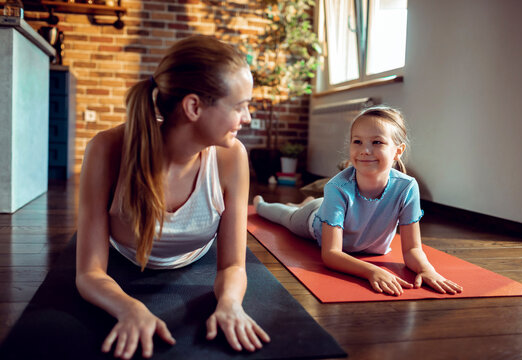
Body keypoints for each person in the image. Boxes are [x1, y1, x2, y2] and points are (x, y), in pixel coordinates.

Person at [76, 35, 270, 360]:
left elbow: (234, 263)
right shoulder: (106, 150)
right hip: (125, 260)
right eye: (239, 106)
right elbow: (89, 273)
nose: (247, 118)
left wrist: (230, 304)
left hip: (196, 257)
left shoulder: (232, 157)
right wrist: (128, 308)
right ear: (194, 107)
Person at [254, 106, 463, 297]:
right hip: (313, 220)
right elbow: (331, 254)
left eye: (377, 142)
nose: (365, 150)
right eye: (357, 141)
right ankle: (265, 203)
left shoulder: (407, 188)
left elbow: (411, 249)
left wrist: (427, 270)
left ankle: (309, 202)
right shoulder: (337, 187)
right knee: (284, 217)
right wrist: (372, 270)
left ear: (397, 151)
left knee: (318, 203)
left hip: (335, 210)